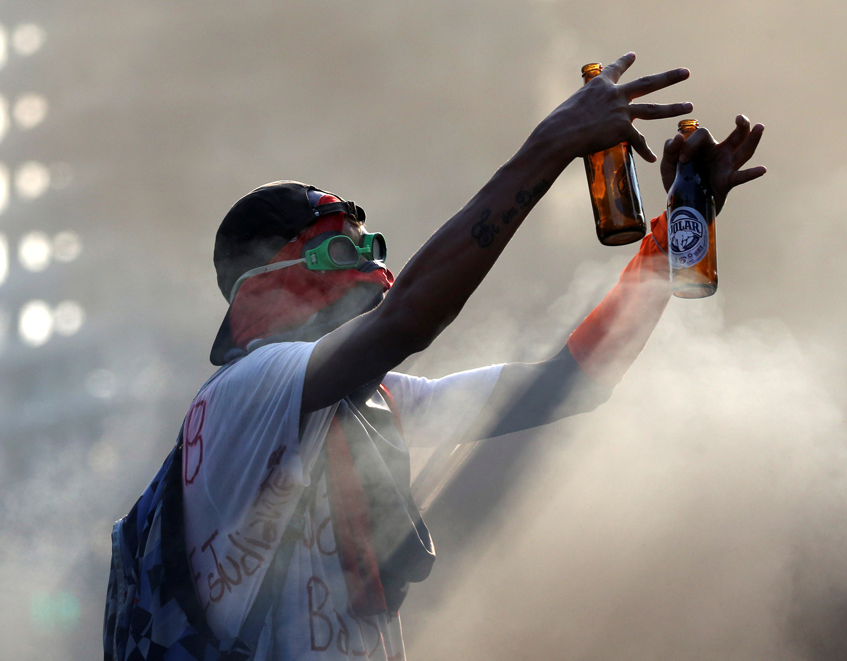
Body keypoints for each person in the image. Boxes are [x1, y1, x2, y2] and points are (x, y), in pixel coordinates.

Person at [105, 52, 765, 660]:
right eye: (342, 251)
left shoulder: (365, 406)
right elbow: (409, 316)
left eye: (374, 249)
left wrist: (681, 224)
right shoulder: (243, 393)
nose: (369, 267)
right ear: (263, 283)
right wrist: (550, 146)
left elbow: (570, 383)